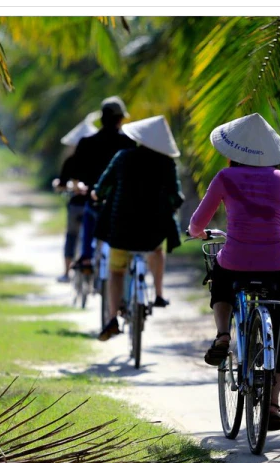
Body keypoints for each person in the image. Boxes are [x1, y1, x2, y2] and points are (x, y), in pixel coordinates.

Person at [187, 113, 280, 431]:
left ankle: (224, 334)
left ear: (233, 152)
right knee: (278, 335)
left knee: (221, 281)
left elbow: (198, 223)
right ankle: (272, 404)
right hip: (276, 267)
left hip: (236, 260)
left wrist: (198, 232)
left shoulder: (225, 179)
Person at [92, 115, 185, 341]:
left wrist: (97, 194)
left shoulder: (123, 157)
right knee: (156, 250)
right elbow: (176, 197)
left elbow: (103, 186)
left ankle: (112, 318)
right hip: (152, 232)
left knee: (116, 271)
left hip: (121, 230)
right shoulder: (166, 163)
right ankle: (160, 294)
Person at [70, 96, 136, 273]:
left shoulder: (86, 142)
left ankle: (86, 256)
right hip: (122, 202)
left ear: (101, 118)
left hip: (95, 199)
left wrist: (79, 185)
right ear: (120, 119)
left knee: (89, 216)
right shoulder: (128, 143)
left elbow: (75, 174)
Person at [52, 113, 100, 282]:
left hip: (75, 206)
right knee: (96, 236)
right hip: (95, 205)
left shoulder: (71, 161)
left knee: (71, 235)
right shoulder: (98, 160)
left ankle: (66, 272)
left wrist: (69, 186)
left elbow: (61, 183)